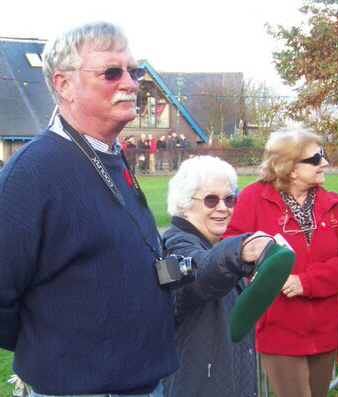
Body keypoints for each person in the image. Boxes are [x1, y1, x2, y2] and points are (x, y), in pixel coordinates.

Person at [0, 22, 178, 396]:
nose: (130, 83)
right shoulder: (31, 173)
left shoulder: (111, 155)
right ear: (63, 84)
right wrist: (52, 346)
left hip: (146, 384)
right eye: (111, 72)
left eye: (135, 70)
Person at [226, 127, 338, 397]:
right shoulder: (252, 200)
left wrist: (306, 282)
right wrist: (258, 268)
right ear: (289, 167)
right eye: (314, 159)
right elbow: (230, 247)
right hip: (278, 328)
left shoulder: (334, 204)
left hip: (327, 327)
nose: (324, 162)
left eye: (322, 155)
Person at [161, 155, 272, 397]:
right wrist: (240, 250)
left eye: (229, 199)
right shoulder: (172, 248)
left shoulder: (214, 245)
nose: (223, 207)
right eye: (211, 200)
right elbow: (198, 274)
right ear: (184, 204)